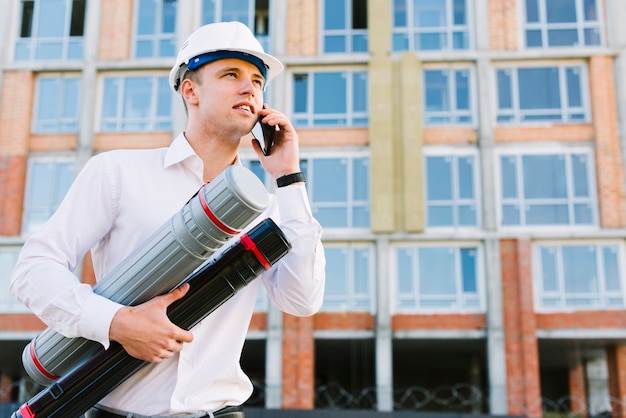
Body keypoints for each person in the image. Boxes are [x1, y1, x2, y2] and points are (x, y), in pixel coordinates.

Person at [10, 21, 325, 418]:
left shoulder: (268, 207)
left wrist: (289, 178)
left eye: (258, 80)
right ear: (190, 90)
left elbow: (302, 300)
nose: (251, 89)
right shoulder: (118, 172)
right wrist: (116, 322)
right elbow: (33, 270)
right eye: (232, 74)